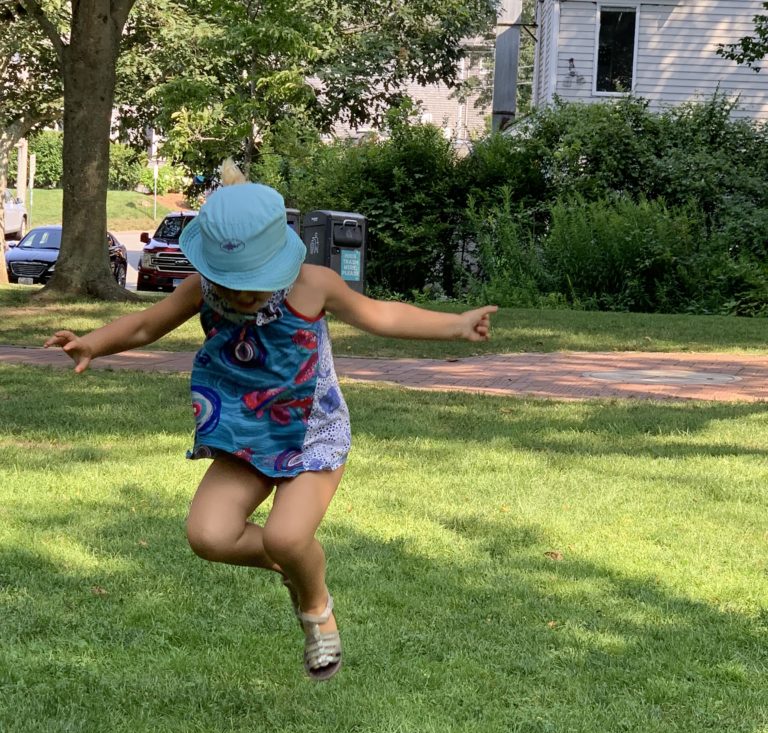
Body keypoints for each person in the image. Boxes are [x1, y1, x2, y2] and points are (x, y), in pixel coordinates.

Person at [45, 160, 496, 681]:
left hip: (312, 437)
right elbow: (147, 324)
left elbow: (382, 315)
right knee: (209, 536)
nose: (240, 296)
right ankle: (295, 563)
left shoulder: (314, 286)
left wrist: (456, 325)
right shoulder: (203, 288)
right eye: (231, 282)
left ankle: (316, 606)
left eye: (253, 284)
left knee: (286, 536)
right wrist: (93, 344)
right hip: (245, 434)